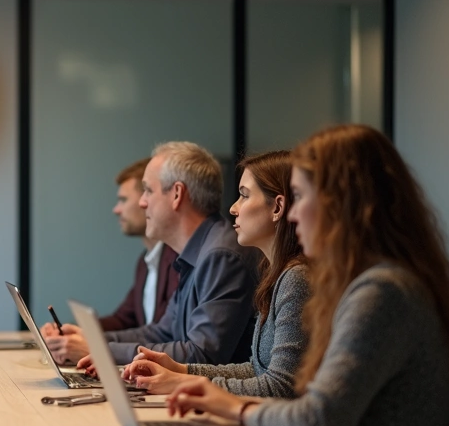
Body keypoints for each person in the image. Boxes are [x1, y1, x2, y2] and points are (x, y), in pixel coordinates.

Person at [96, 124, 449, 426]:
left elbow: (314, 416)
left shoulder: (381, 294)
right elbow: (284, 383)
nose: (293, 216)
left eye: (302, 198)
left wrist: (229, 407)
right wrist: (190, 376)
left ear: (344, 204)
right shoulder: (364, 284)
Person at [0, 158, 180, 426]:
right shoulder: (148, 260)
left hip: (158, 379)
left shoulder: (177, 260)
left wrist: (94, 344)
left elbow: (163, 335)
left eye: (129, 197)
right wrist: (82, 332)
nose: (121, 208)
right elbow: (130, 319)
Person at [102, 150, 309, 398]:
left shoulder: (292, 278)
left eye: (243, 196)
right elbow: (256, 369)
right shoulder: (274, 275)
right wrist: (181, 370)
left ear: (277, 207)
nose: (233, 208)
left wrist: (181, 382)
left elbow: (280, 387)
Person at [43, 142, 262, 367]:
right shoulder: (196, 251)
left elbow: (201, 356)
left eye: (148, 190)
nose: (142, 202)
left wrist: (101, 351)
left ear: (177, 194)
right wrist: (90, 340)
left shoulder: (220, 256)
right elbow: (162, 333)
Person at [100, 158, 180, 331]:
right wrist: (75, 331)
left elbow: (166, 334)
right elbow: (124, 319)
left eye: (123, 200)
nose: (116, 209)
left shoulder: (179, 261)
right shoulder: (144, 263)